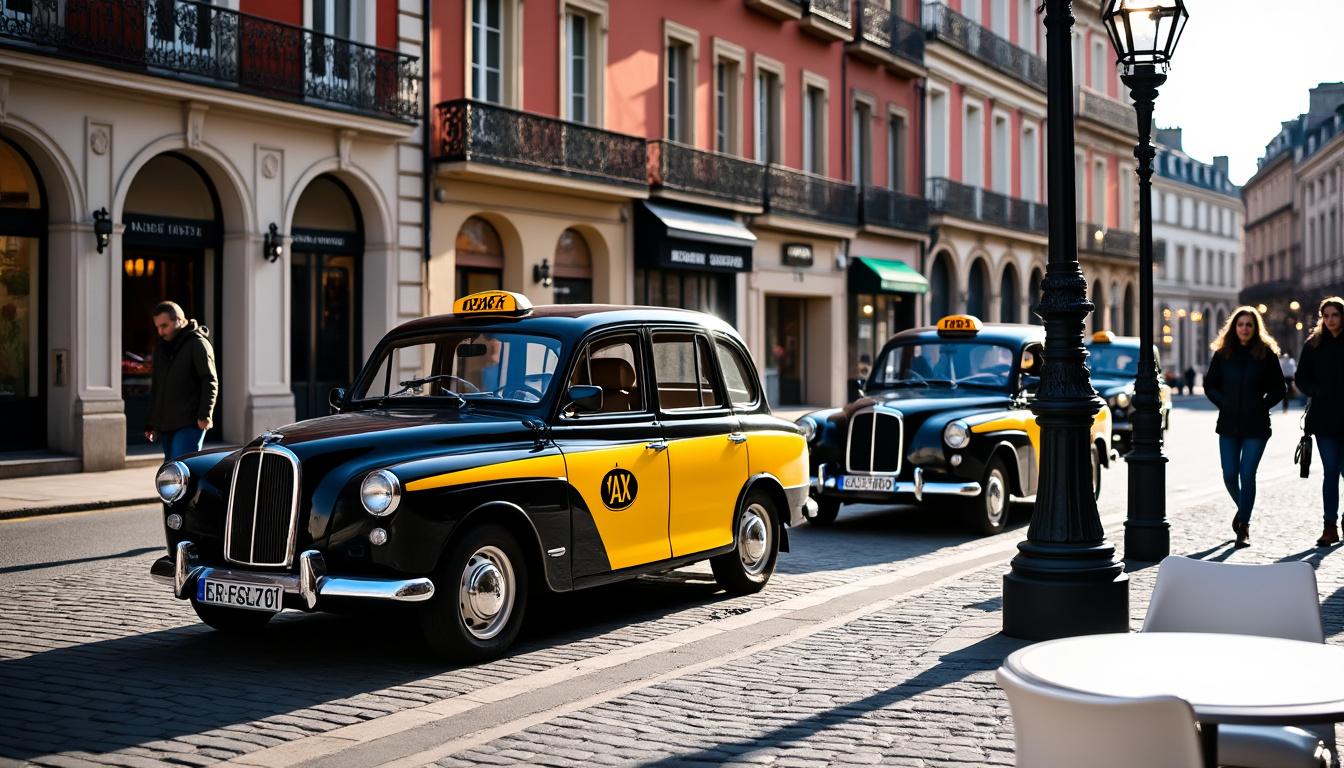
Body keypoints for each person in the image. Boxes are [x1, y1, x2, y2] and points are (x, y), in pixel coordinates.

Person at [1203, 306, 1286, 547]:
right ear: (1234, 327)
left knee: (1247, 475)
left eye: (1249, 324)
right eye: (1240, 324)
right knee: (1230, 475)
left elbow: (1279, 388)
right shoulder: (1222, 353)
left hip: (1256, 425)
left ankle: (1244, 526)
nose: (1245, 328)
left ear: (1255, 327)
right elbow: (1210, 385)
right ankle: (1243, 509)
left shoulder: (1266, 353)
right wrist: (1224, 404)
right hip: (1228, 424)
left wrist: (1262, 405)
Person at [1295, 296, 1344, 547]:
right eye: (1326, 316)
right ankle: (1329, 526)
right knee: (1331, 472)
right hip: (1324, 419)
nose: (1330, 320)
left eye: (1335, 315)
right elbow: (1300, 378)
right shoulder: (1313, 344)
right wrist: (1316, 390)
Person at [144, 301, 218, 460]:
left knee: (183, 469)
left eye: (164, 326)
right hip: (166, 425)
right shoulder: (161, 348)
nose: (160, 332)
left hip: (190, 423)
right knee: (171, 473)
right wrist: (151, 423)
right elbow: (157, 388)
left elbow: (209, 380)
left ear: (180, 320)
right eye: (157, 327)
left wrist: (205, 415)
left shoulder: (197, 344)